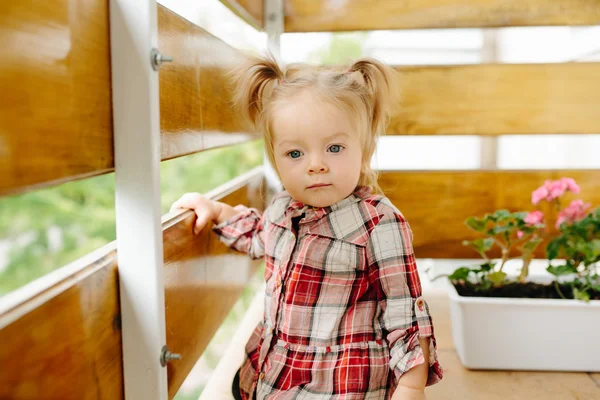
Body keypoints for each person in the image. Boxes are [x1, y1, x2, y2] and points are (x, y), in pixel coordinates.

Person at [170, 54, 443, 400]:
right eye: (295, 154)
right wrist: (218, 211)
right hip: (273, 374)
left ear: (365, 149)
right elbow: (261, 236)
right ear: (275, 158)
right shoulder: (283, 208)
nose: (316, 165)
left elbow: (406, 310)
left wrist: (410, 384)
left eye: (334, 148)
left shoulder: (378, 224)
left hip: (339, 384)